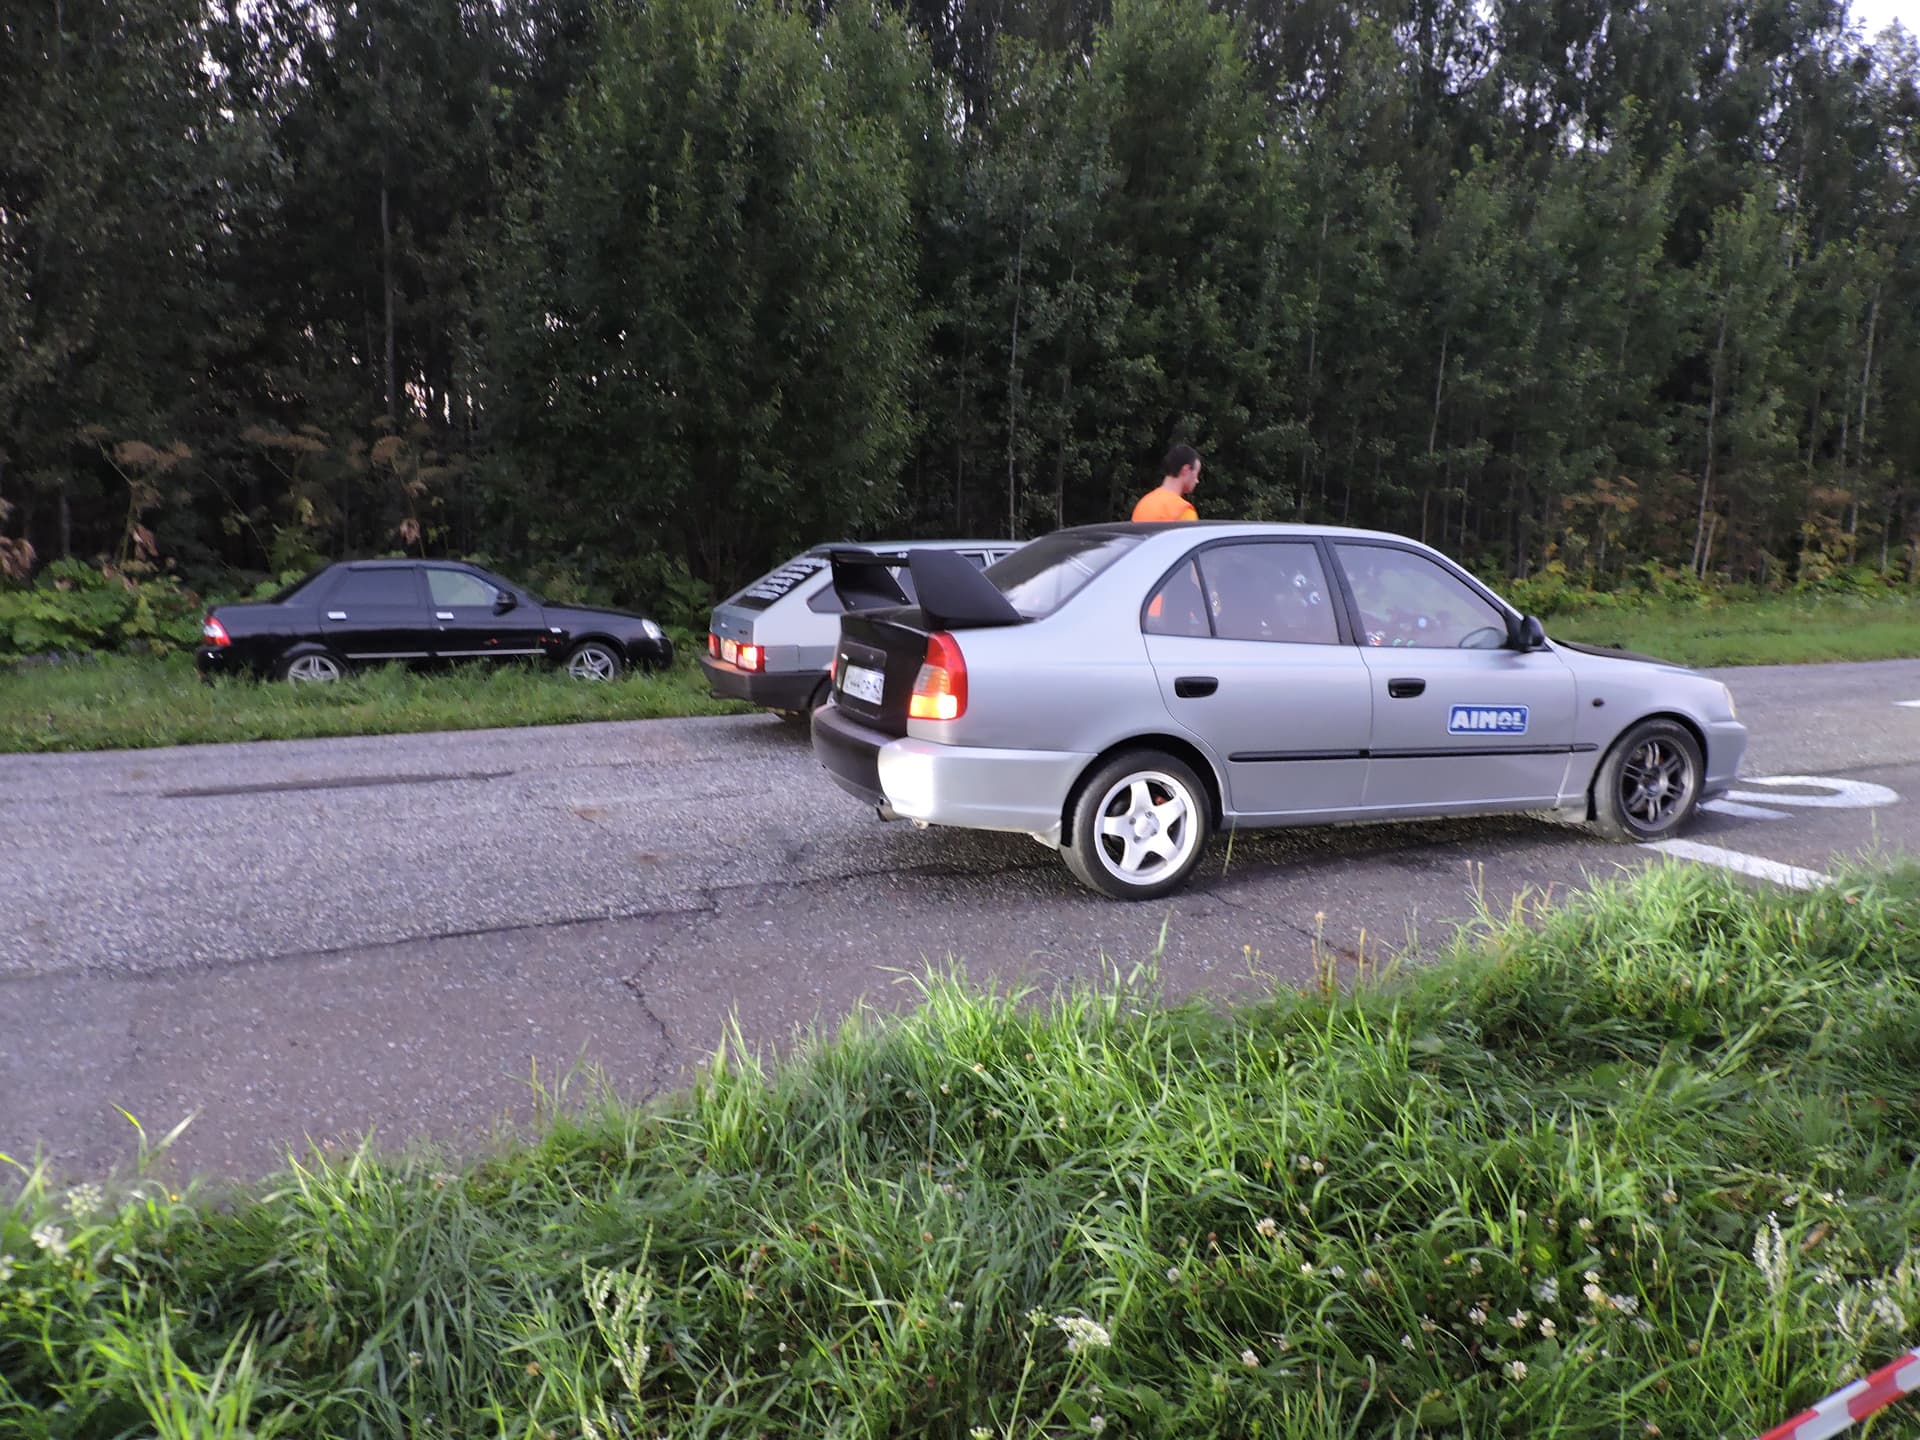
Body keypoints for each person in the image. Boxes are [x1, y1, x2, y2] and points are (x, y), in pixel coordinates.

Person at [1132, 444, 1201, 522]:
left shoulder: (1143, 504)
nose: (1197, 480)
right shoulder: (1184, 511)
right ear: (1186, 470)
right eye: (1196, 474)